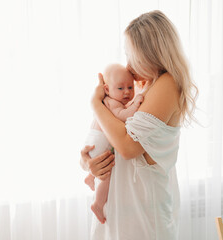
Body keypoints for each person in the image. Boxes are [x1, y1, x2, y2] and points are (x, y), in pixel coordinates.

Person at [80, 10, 198, 240]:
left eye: (131, 54)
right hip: (121, 207)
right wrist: (90, 163)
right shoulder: (142, 87)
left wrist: (96, 103)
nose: (127, 63)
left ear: (149, 53)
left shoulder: (167, 84)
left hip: (143, 215)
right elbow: (107, 135)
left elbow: (127, 147)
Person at [84, 63, 144, 224]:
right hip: (98, 144)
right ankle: (98, 203)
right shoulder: (112, 103)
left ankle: (90, 177)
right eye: (120, 88)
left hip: (95, 143)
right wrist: (136, 103)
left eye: (130, 87)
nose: (127, 92)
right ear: (107, 89)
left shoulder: (110, 101)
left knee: (102, 166)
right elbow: (123, 115)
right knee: (107, 174)